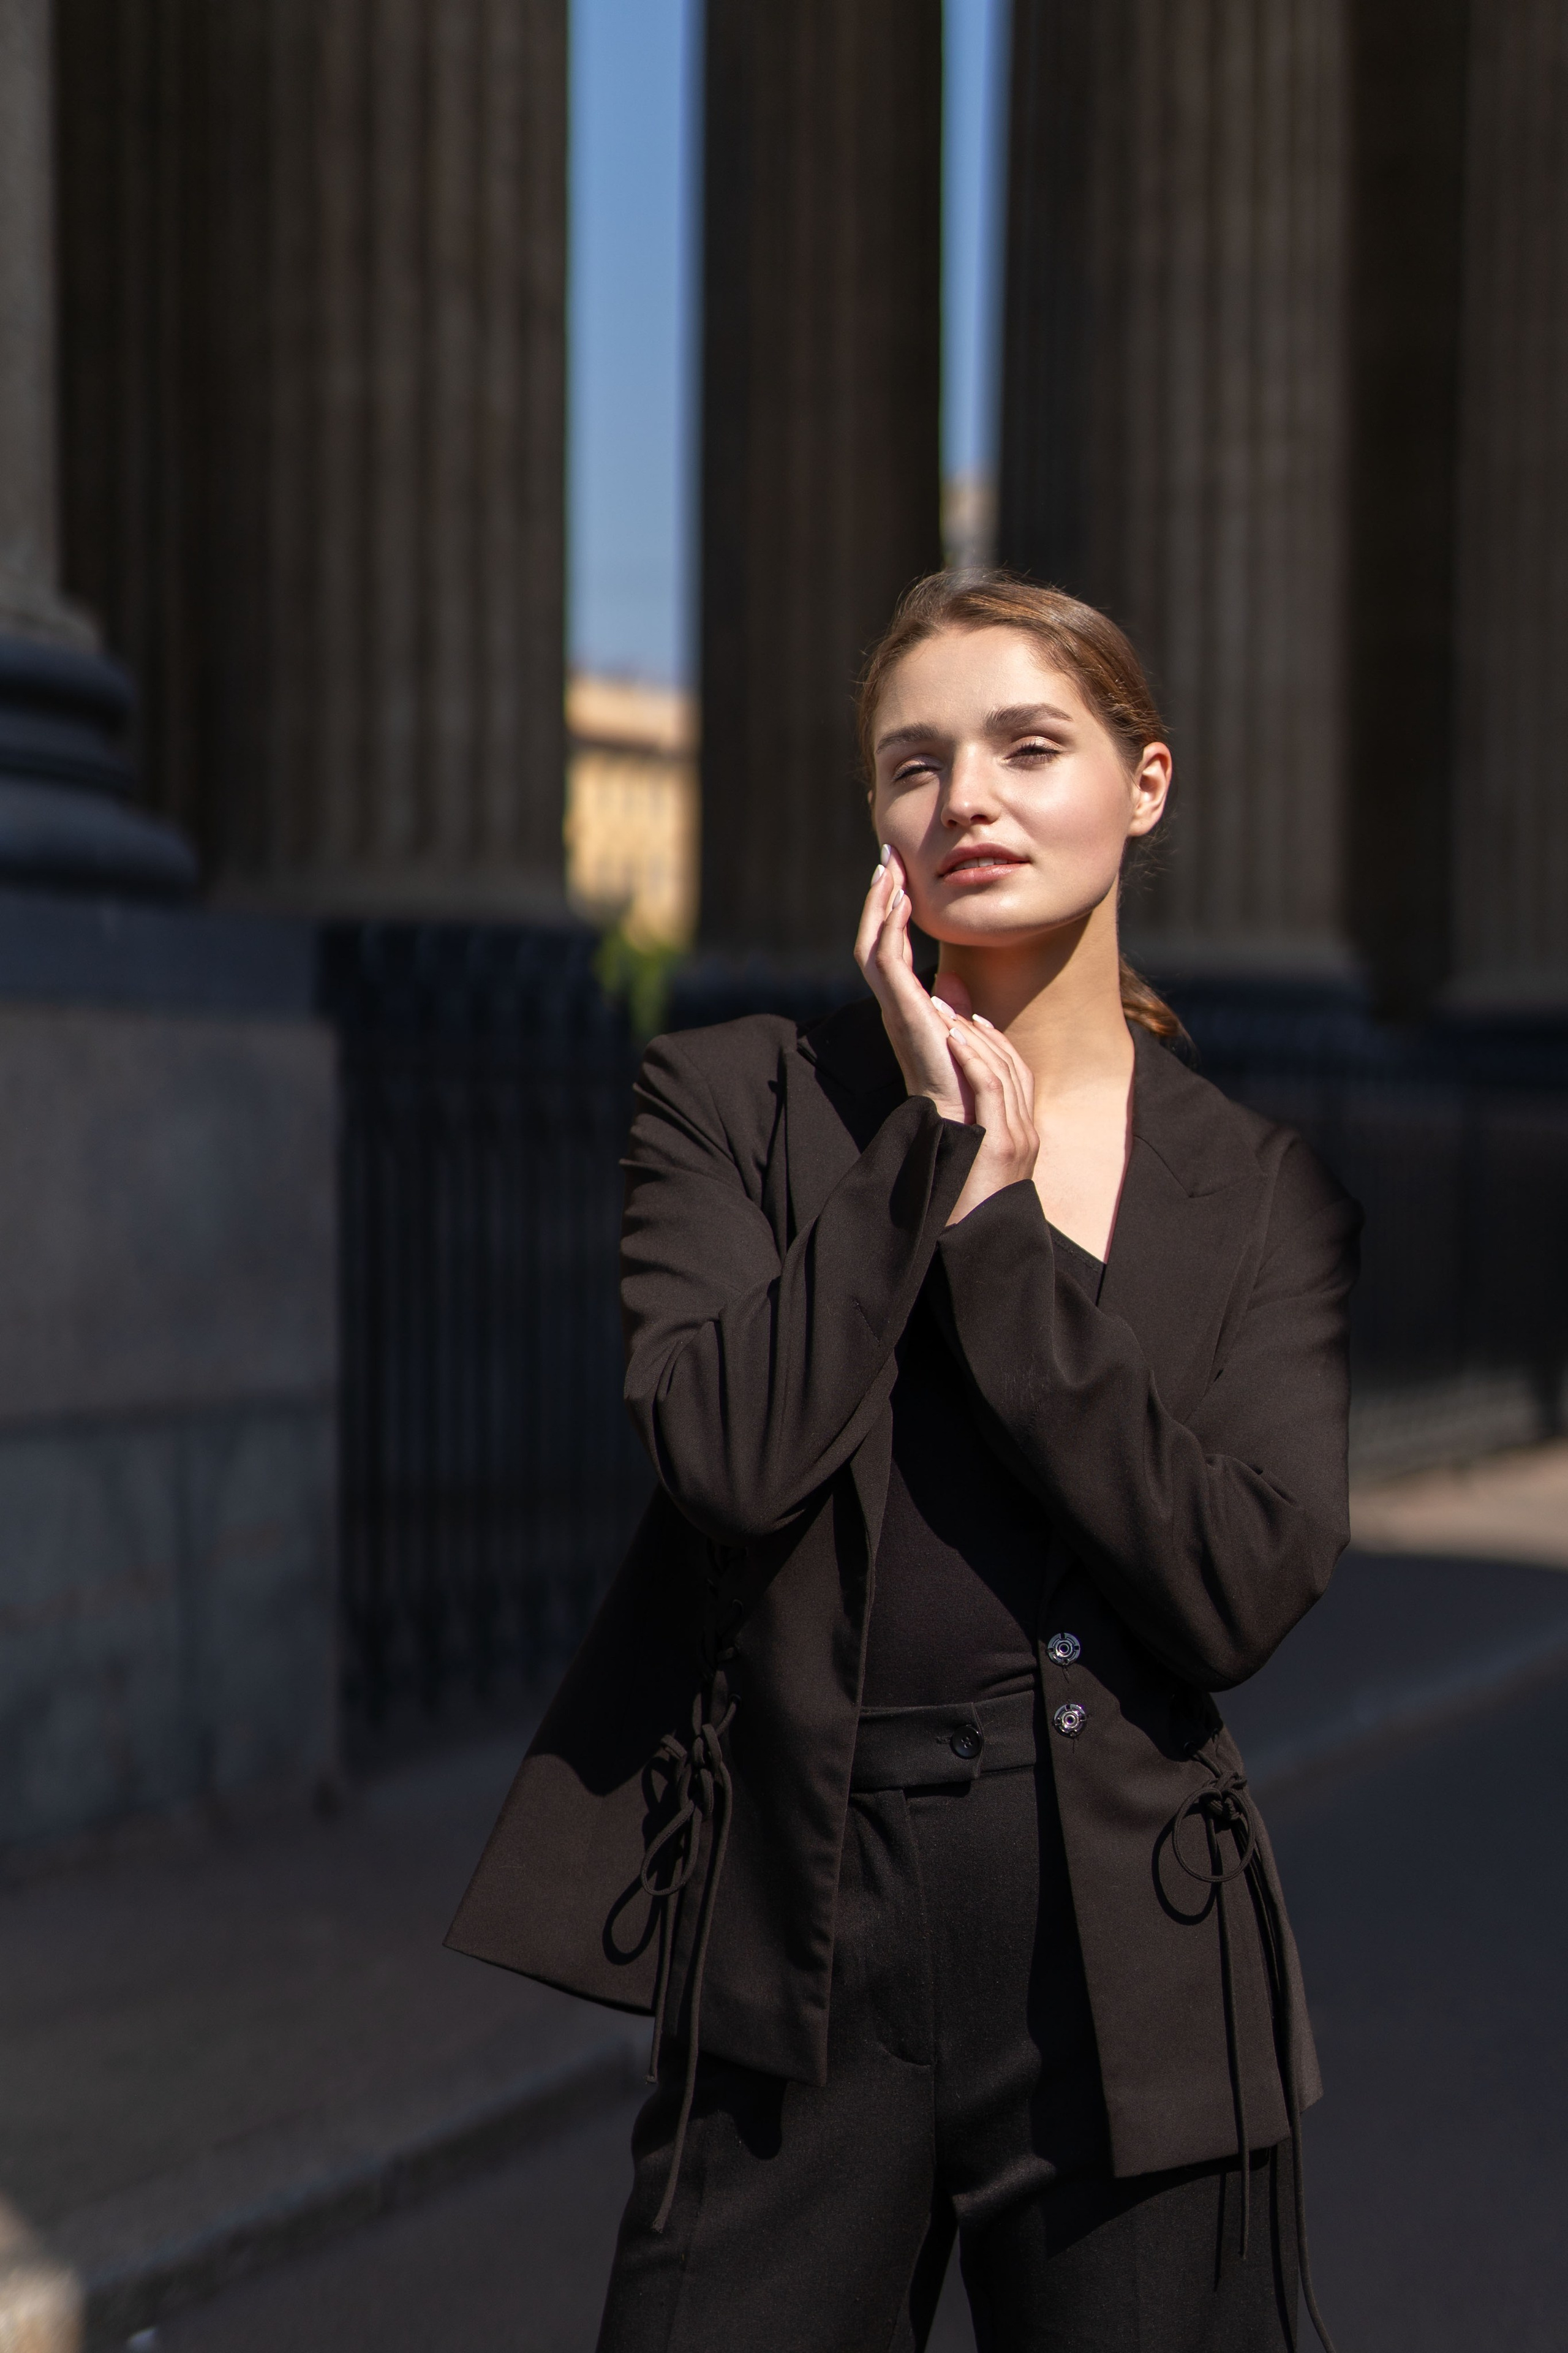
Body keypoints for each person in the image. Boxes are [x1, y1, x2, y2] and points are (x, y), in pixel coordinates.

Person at [448, 572, 1359, 2353]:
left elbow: (1240, 1577)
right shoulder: (733, 1103)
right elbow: (724, 1453)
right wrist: (928, 1151)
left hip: (1130, 1961)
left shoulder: (1260, 1190)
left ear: (1145, 783)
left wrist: (1009, 1245)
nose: (970, 802)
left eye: (1031, 745)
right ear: (877, 817)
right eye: (914, 764)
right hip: (800, 1923)